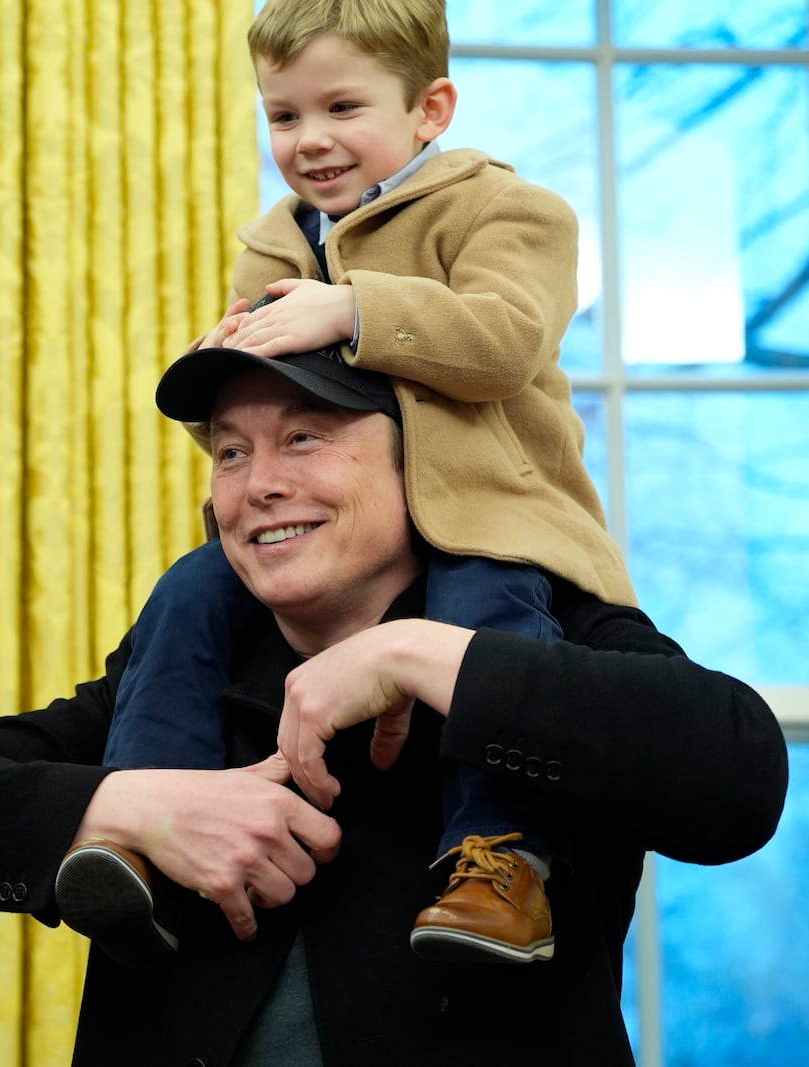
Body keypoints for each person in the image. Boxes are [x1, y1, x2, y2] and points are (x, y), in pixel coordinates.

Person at [0, 348, 789, 1065]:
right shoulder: (179, 667)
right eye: (231, 452)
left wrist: (416, 652)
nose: (260, 486)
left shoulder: (544, 629)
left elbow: (739, 773)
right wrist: (137, 807)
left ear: (426, 463)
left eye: (305, 436)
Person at [90, 0, 637, 967]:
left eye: (342, 107)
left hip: (485, 519)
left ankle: (499, 864)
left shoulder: (508, 211)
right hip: (344, 536)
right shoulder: (278, 234)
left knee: (483, 622)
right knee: (186, 592)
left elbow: (508, 341)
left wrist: (350, 308)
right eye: (283, 116)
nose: (310, 141)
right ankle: (151, 822)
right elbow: (248, 394)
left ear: (432, 108)